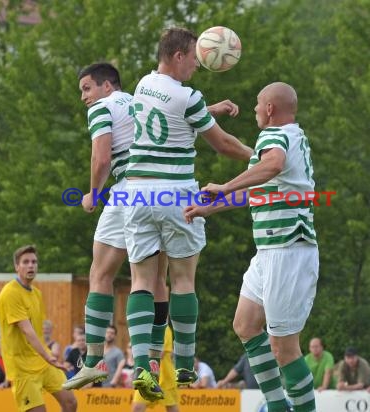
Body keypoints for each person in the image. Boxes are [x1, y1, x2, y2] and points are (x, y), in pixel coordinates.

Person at [123, 27, 253, 401]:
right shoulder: (189, 96)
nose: (198, 64)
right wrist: (261, 158)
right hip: (176, 193)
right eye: (194, 57)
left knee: (142, 283)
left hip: (137, 192)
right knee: (182, 280)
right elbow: (224, 145)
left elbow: (170, 119)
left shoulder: (144, 84)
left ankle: (140, 366)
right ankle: (183, 363)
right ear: (179, 55)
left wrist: (208, 110)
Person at [185, 82, 318, 412]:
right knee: (245, 325)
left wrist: (224, 185)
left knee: (284, 348)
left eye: (258, 105)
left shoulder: (275, 136)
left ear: (270, 109)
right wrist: (209, 208)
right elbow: (257, 190)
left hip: (287, 249)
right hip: (270, 250)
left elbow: (271, 165)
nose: (256, 110)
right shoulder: (292, 136)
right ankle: (277, 406)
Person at [63, 62, 170, 391]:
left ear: (107, 86)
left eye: (87, 88)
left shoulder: (101, 109)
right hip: (167, 191)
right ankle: (150, 363)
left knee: (101, 274)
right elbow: (176, 118)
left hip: (129, 191)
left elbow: (102, 158)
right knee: (157, 281)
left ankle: (93, 362)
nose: (84, 97)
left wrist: (93, 194)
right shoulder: (141, 102)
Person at [0, 245, 77, 412]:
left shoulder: (37, 294)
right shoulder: (10, 293)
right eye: (25, 262)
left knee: (70, 403)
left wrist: (49, 357)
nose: (31, 265)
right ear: (16, 267)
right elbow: (27, 331)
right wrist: (49, 356)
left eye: (34, 262)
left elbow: (38, 332)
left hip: (42, 362)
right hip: (22, 369)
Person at [132, 326, 179, 412]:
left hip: (165, 377)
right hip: (147, 375)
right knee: (137, 408)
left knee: (171, 408)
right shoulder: (145, 327)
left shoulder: (165, 329)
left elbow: (159, 353)